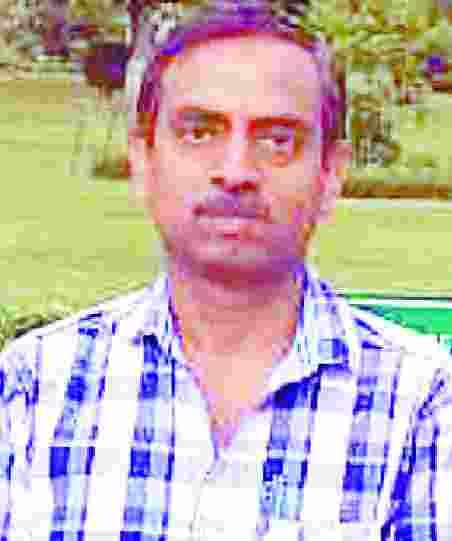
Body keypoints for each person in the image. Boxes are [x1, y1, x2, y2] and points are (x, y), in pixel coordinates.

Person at [2, 1, 452, 540]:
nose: (235, 171)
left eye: (277, 140)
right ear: (144, 161)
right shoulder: (34, 387)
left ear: (331, 174)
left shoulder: (423, 405)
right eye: (199, 132)